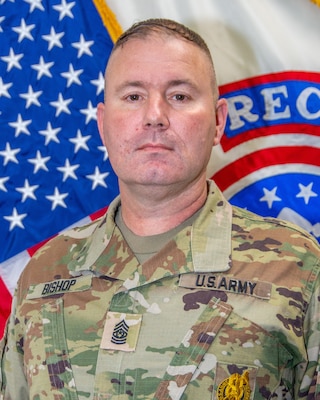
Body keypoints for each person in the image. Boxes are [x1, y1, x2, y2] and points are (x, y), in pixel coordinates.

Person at [1, 18, 320, 400]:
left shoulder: (297, 268)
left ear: (218, 122)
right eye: (133, 96)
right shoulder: (43, 272)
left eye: (179, 96)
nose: (154, 116)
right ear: (103, 125)